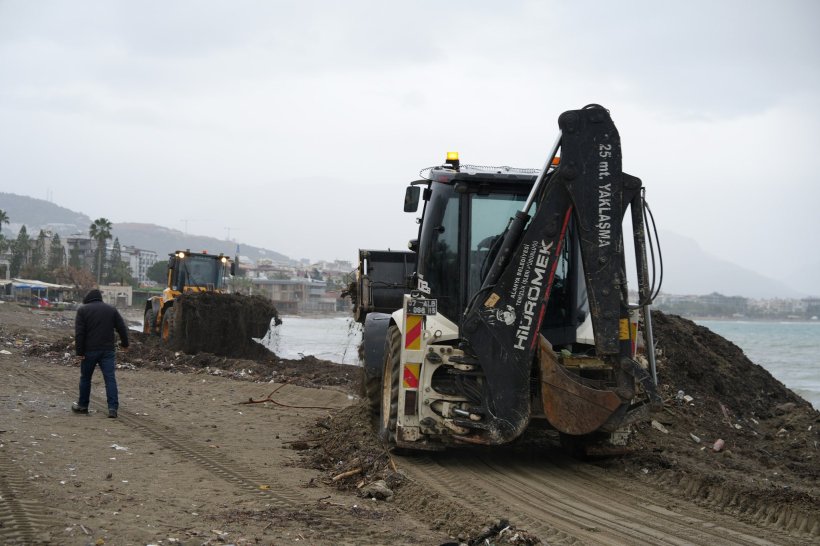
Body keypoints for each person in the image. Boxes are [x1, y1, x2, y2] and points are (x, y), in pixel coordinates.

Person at [72, 288, 129, 418]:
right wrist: (125, 344)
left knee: (86, 378)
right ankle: (112, 409)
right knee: (110, 379)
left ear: (88, 299)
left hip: (89, 351)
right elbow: (122, 328)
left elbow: (80, 333)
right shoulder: (111, 310)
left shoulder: (82, 310)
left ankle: (83, 406)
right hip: (108, 351)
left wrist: (79, 352)